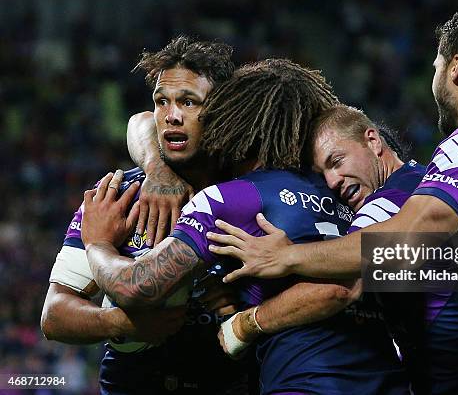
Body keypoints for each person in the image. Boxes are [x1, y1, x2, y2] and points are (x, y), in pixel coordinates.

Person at [210, 8, 458, 395]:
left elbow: (409, 236)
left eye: (435, 66)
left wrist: (286, 259)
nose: (433, 77)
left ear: (454, 67)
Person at [81, 59, 411, 395]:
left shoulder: (228, 198)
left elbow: (136, 286)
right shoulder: (347, 191)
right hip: (391, 379)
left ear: (234, 121)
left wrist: (98, 244)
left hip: (303, 383)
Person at [207, 104, 458, 394]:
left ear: (373, 141)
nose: (332, 181)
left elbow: (344, 284)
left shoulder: (390, 203)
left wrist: (245, 323)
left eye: (336, 161)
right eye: (322, 173)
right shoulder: (423, 182)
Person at [41, 36, 249, 394]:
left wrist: (244, 301)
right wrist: (119, 321)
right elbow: (54, 315)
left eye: (188, 102)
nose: (171, 115)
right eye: (161, 101)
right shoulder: (119, 194)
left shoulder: (251, 193)